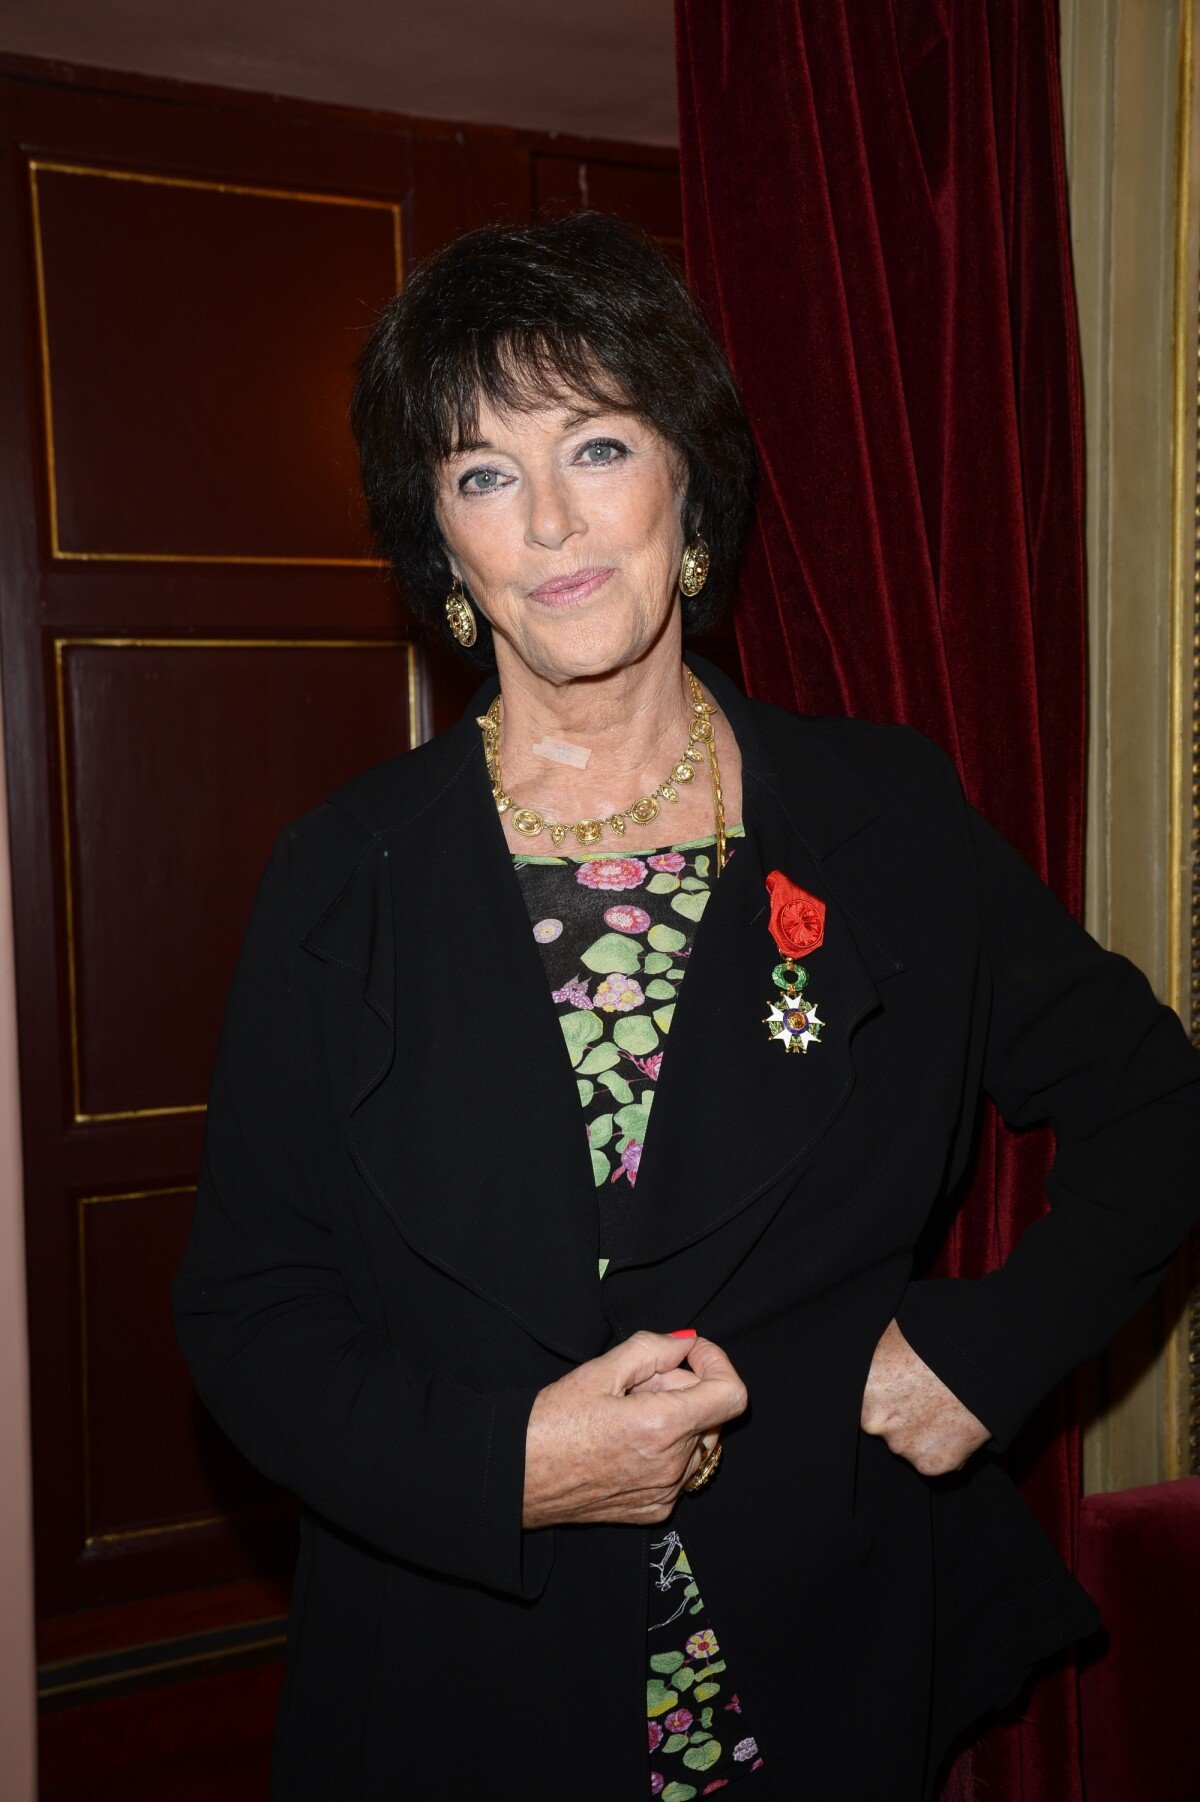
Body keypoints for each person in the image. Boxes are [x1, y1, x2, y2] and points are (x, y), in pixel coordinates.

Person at [171, 210, 1200, 1802]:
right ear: (446, 547)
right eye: (484, 473)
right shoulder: (337, 877)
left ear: (687, 484)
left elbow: (1156, 1099)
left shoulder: (889, 821)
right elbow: (247, 1315)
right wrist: (512, 1466)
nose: (556, 522)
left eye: (597, 442)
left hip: (822, 1659)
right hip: (461, 1678)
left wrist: (989, 1344)